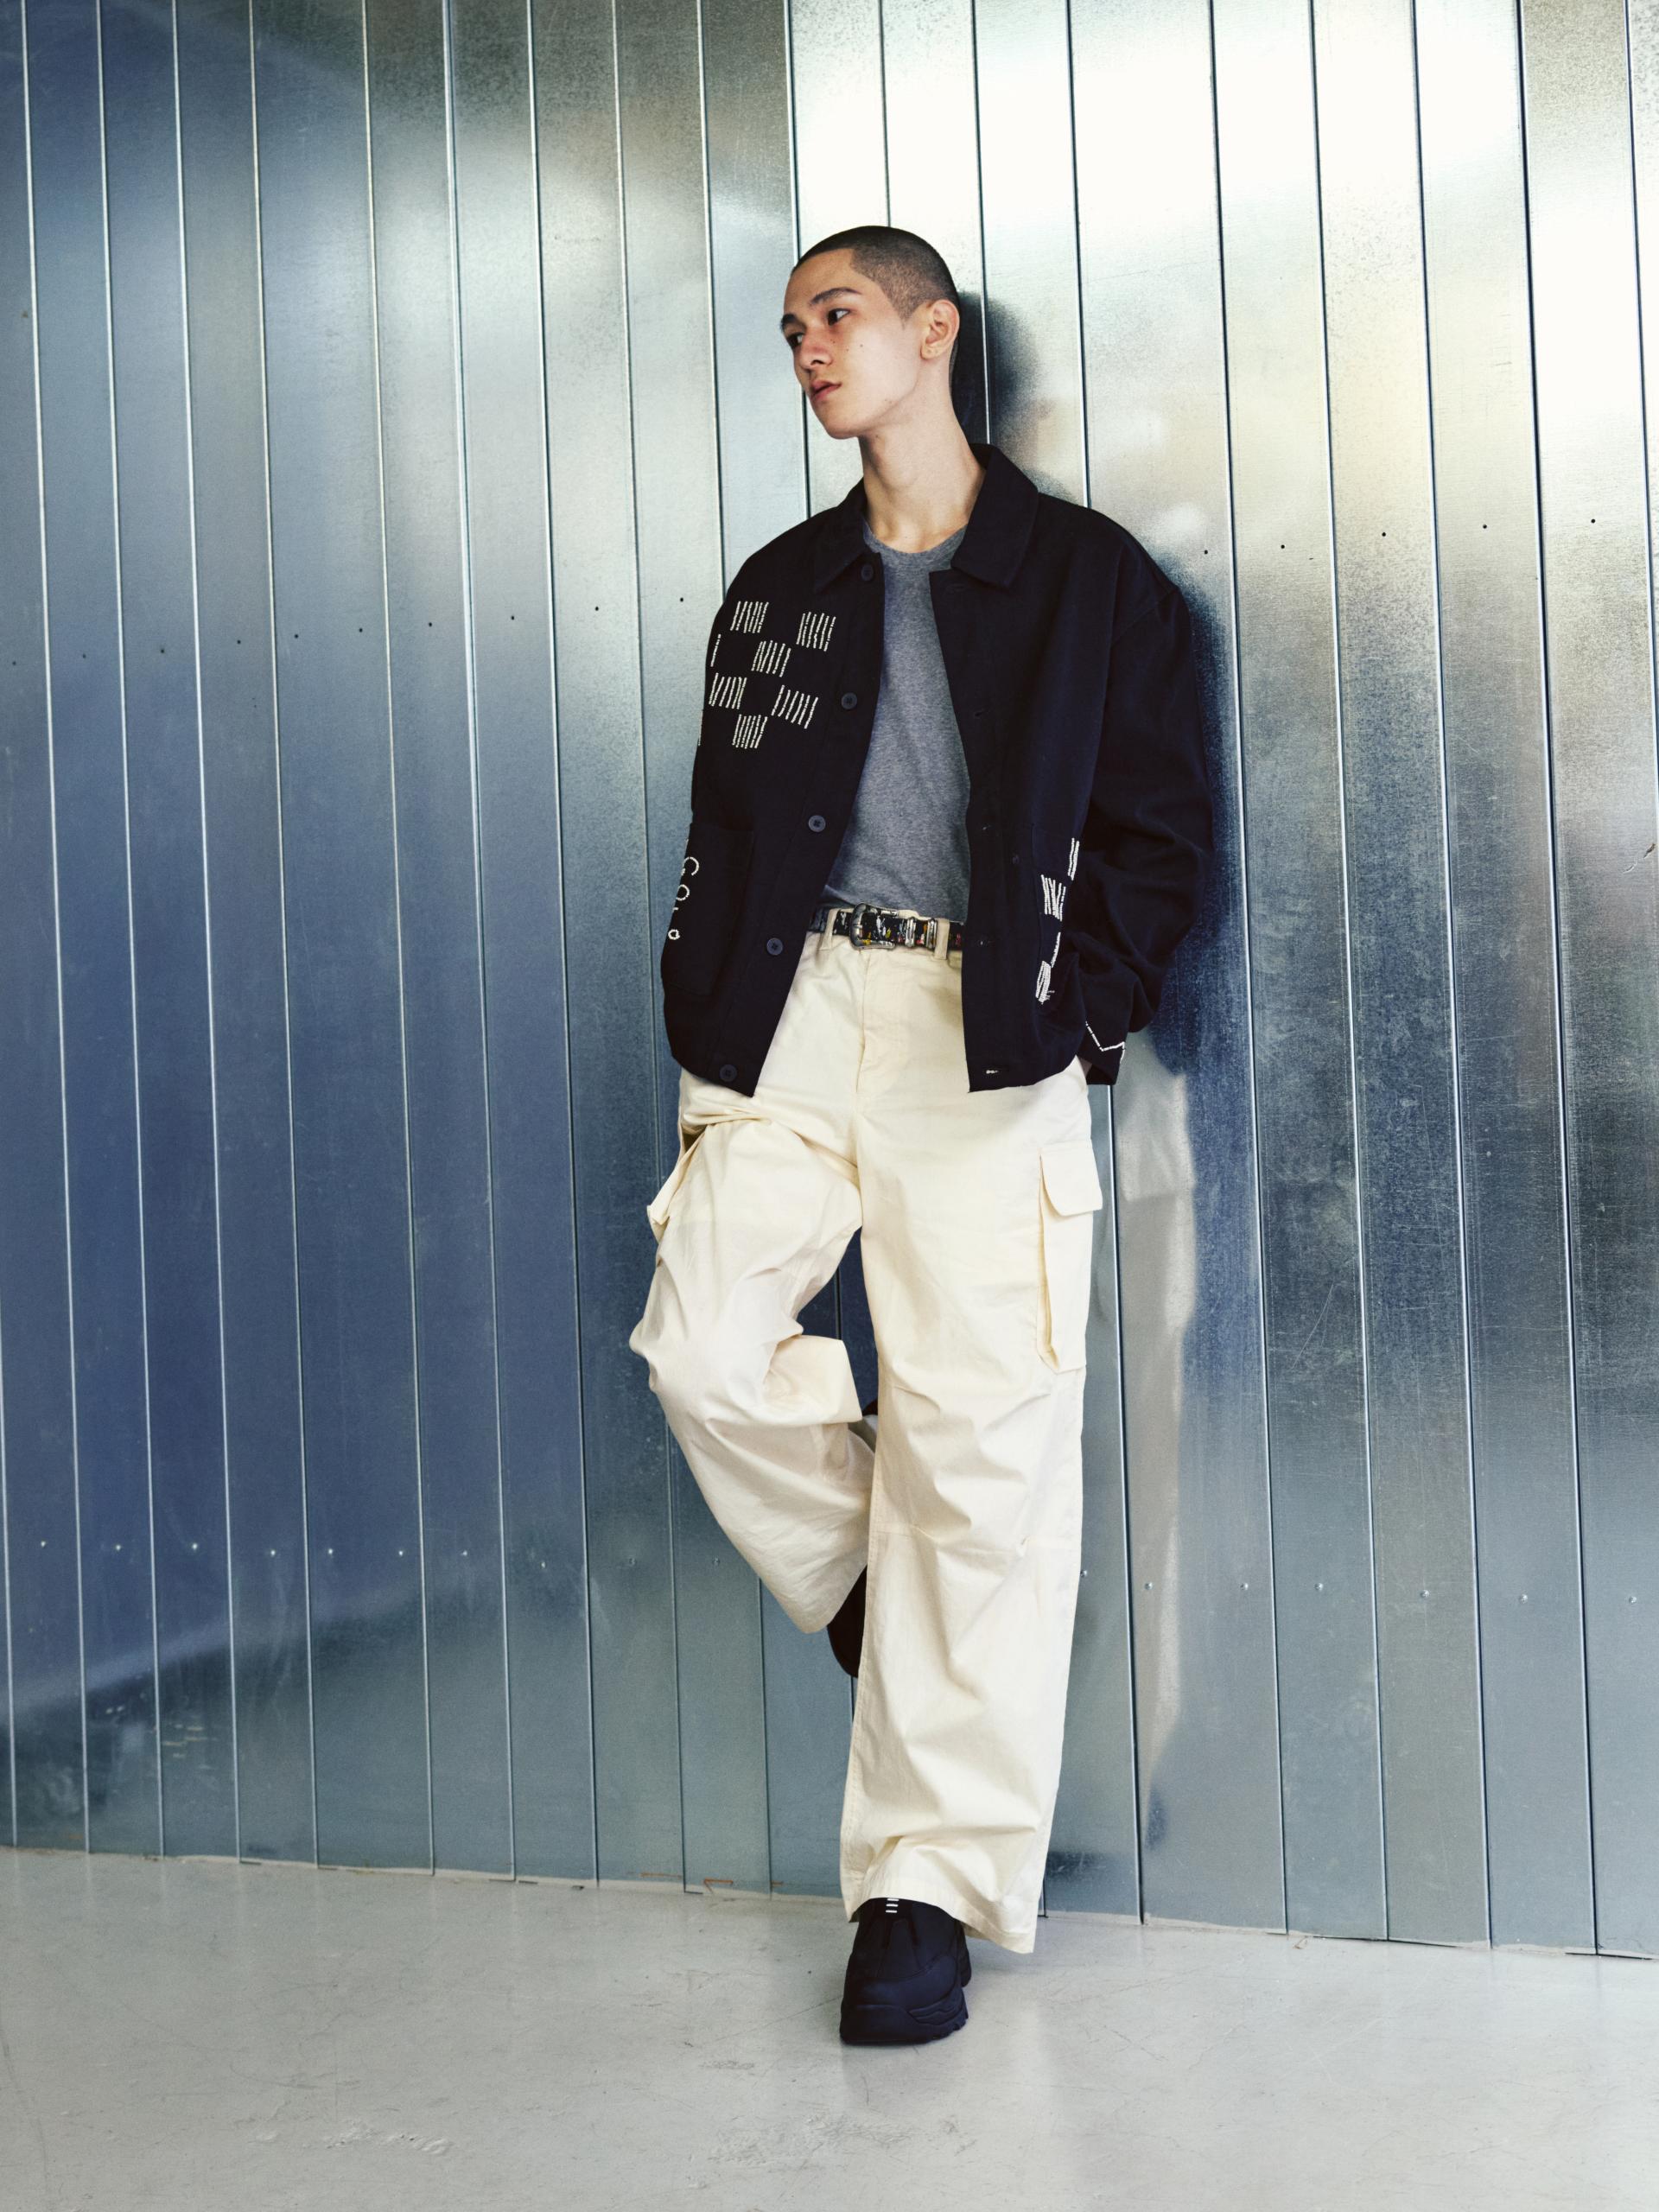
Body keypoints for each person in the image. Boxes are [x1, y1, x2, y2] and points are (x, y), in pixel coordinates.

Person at [627, 225, 1211, 2044]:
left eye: (839, 315)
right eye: (791, 326)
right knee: (704, 1346)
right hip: (795, 1017)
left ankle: (919, 1892)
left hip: (990, 1024)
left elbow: (1161, 833)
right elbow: (729, 818)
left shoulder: (1086, 580)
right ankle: (881, 1591)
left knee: (981, 1435)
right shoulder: (782, 586)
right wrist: (709, 987)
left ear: (933, 332)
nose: (809, 347)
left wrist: (1080, 1009)